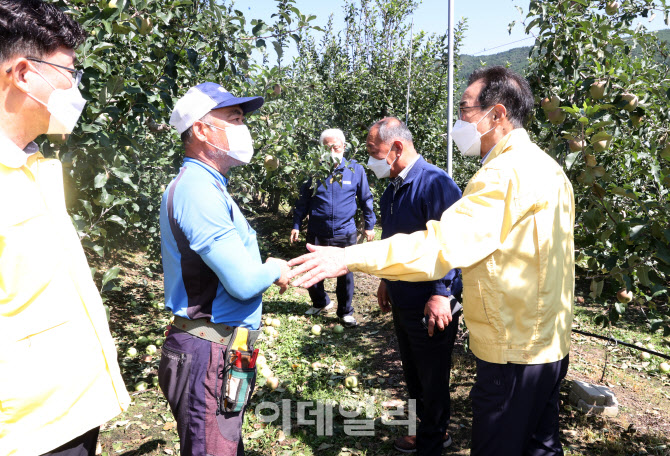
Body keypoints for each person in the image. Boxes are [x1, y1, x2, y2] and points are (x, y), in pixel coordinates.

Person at [288, 66, 575, 456]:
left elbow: (441, 244)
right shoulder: (547, 168)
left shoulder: (505, 174)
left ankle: (433, 434)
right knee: (539, 446)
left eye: (464, 109)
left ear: (498, 114)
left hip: (514, 348)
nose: (458, 121)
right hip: (547, 341)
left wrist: (350, 257)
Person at [0, 1, 131, 455]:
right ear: (22, 73)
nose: (76, 88)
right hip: (29, 433)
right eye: (69, 73)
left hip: (73, 414)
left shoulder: (34, 164)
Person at [159, 82, 290, 456]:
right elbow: (244, 282)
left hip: (219, 349)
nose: (242, 126)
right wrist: (273, 266)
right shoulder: (198, 191)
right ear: (201, 129)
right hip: (206, 354)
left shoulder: (210, 186)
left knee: (223, 443)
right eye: (233, 118)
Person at [366, 117, 463, 455]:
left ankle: (433, 441)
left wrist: (441, 292)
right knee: (414, 369)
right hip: (403, 296)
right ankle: (428, 429)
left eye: (373, 152)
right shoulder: (393, 188)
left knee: (433, 373)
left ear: (396, 148)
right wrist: (385, 277)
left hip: (429, 299)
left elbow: (452, 243)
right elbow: (394, 239)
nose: (371, 160)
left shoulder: (435, 183)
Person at [290, 128, 375, 327]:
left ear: (344, 148)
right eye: (326, 148)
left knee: (345, 273)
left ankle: (345, 312)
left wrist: (369, 225)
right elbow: (302, 201)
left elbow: (365, 199)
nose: (331, 152)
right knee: (312, 266)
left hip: (345, 231)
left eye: (335, 147)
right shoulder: (313, 171)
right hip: (317, 229)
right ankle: (320, 302)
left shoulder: (355, 170)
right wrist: (296, 224)